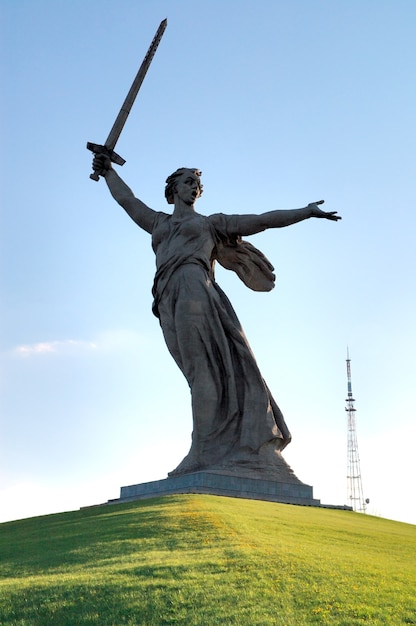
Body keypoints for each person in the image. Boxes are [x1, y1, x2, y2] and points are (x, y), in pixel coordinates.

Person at [92, 155, 341, 477]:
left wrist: (305, 213)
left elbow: (262, 220)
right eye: (188, 183)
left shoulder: (210, 224)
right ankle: (211, 445)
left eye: (198, 185)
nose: (194, 189)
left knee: (202, 370)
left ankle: (203, 449)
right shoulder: (158, 223)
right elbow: (127, 200)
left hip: (194, 288)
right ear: (172, 190)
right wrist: (108, 171)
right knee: (195, 372)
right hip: (166, 296)